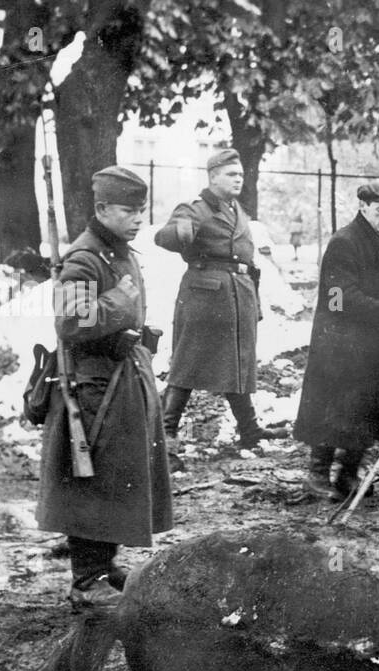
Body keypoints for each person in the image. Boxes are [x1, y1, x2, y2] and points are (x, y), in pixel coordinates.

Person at [35, 166, 173, 609]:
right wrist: (118, 303)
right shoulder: (85, 257)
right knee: (90, 480)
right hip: (92, 386)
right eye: (128, 210)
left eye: (141, 210)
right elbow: (71, 322)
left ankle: (104, 564)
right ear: (101, 209)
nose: (137, 219)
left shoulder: (118, 251)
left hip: (119, 377)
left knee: (116, 476)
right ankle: (85, 580)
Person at [155, 149, 277, 466]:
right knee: (188, 363)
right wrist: (179, 233)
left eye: (240, 175)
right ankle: (165, 436)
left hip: (238, 294)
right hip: (205, 297)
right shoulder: (195, 208)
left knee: (237, 362)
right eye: (231, 175)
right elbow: (165, 236)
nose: (239, 179)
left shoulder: (236, 209)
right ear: (213, 177)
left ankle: (250, 431)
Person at [295, 182, 379, 501]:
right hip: (337, 339)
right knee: (331, 405)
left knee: (362, 407)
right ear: (362, 207)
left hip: (366, 335)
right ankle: (317, 476)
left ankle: (347, 475)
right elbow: (337, 298)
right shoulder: (345, 241)